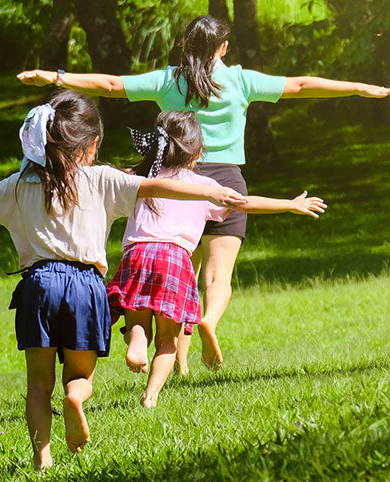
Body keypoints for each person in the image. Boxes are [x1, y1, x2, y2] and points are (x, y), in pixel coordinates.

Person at [0, 91, 246, 470]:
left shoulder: (19, 185)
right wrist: (210, 190)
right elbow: (159, 186)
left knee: (37, 385)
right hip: (86, 287)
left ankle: (42, 458)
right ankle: (76, 399)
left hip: (37, 287)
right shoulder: (103, 179)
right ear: (92, 144)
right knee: (80, 375)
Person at [17, 14, 390, 373]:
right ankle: (208, 320)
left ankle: (179, 364)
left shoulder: (169, 81)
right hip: (226, 181)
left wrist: (55, 76)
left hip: (174, 183)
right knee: (217, 276)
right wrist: (359, 88)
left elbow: (112, 85)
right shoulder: (240, 80)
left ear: (186, 44)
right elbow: (300, 85)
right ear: (224, 47)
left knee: (185, 270)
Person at [108, 110, 326, 408]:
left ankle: (136, 340)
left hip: (136, 254)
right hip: (173, 258)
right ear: (197, 154)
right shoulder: (205, 187)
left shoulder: (141, 178)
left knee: (138, 320)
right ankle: (151, 397)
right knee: (168, 340)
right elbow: (245, 203)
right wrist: (290, 204)